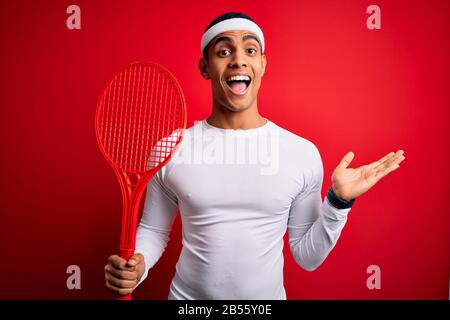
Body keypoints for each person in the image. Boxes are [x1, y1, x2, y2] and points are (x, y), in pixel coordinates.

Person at [104, 12, 405, 299]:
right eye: (224, 52)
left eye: (250, 50)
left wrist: (339, 203)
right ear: (205, 67)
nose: (238, 60)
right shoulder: (171, 149)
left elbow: (308, 257)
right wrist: (138, 266)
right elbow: (154, 230)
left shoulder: (300, 153)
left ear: (262, 64)